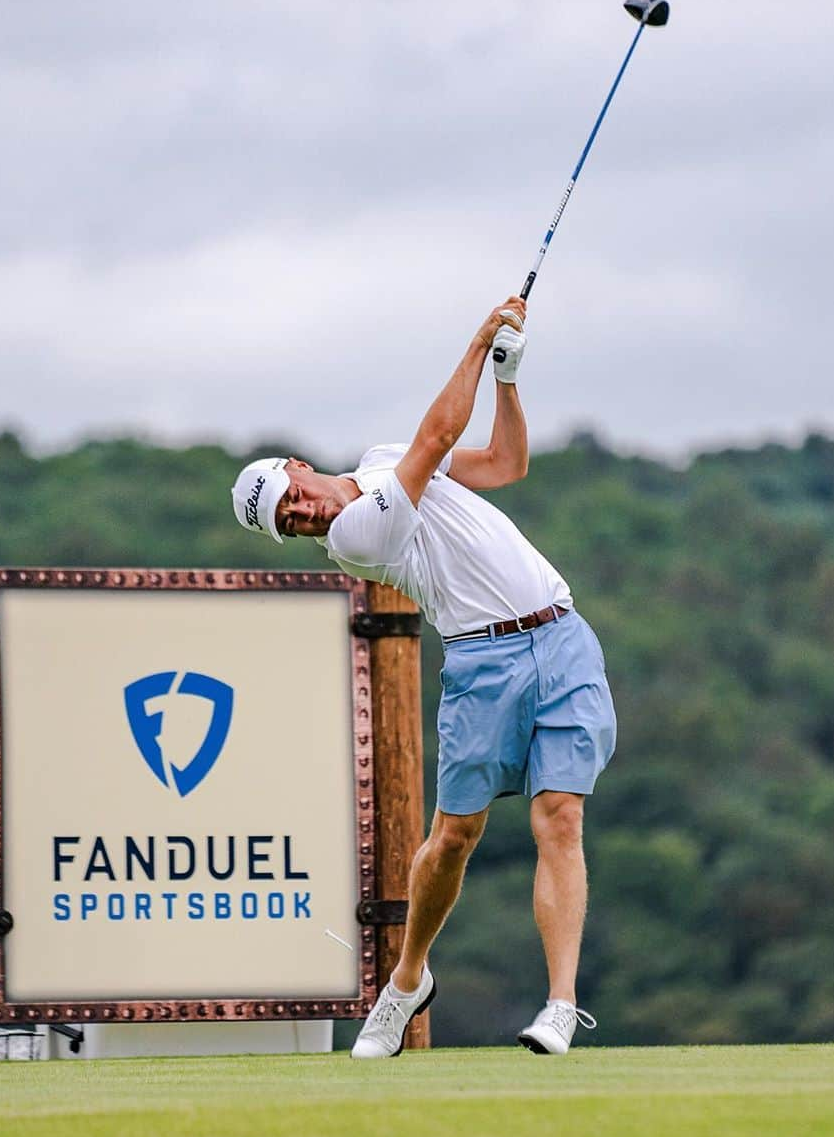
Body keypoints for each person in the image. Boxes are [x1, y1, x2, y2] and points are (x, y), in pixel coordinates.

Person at [231, 296, 616, 1056]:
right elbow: (441, 431)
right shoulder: (354, 535)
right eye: (289, 524)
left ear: (298, 469)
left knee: (560, 817)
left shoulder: (379, 458)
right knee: (454, 838)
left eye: (294, 500)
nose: (304, 517)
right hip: (481, 664)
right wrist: (479, 341)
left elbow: (506, 464)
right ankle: (408, 980)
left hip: (561, 634)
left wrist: (506, 379)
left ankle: (561, 1007)